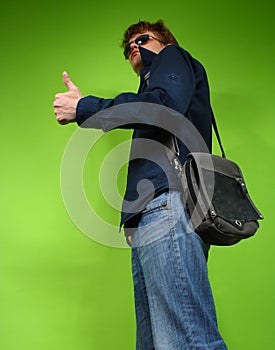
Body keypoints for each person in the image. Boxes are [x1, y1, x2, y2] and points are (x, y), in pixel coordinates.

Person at [53, 20, 227, 350]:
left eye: (143, 39)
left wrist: (85, 107)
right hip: (153, 216)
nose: (133, 46)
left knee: (186, 340)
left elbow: (162, 108)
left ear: (165, 42)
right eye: (128, 45)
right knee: (158, 343)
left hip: (169, 206)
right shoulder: (150, 85)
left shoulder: (172, 58)